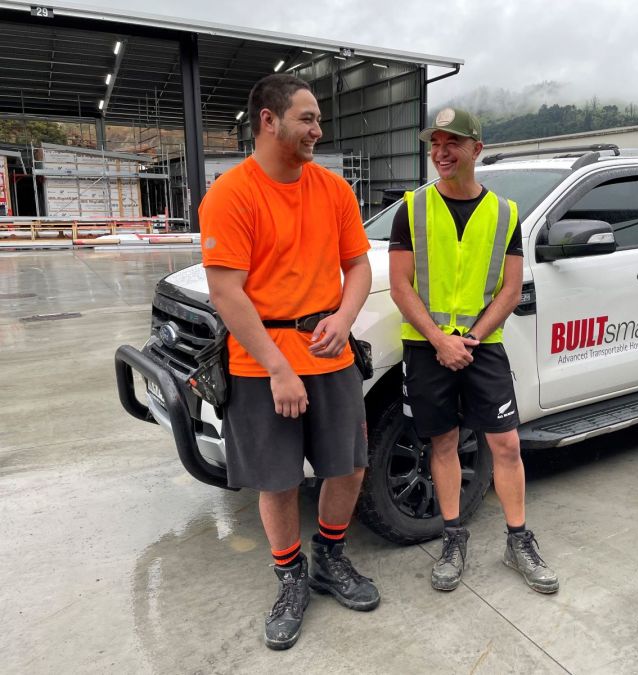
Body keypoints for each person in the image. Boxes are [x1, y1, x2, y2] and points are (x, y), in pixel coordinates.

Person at [199, 74, 379, 651]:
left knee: (348, 465)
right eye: (307, 118)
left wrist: (345, 319)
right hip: (261, 363)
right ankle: (290, 577)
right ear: (268, 121)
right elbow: (227, 292)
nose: (317, 130)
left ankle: (329, 558)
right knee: (277, 480)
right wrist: (279, 367)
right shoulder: (231, 195)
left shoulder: (332, 190)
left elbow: (359, 267)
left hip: (330, 351)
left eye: (317, 119)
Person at [388, 107, 559, 594]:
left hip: (482, 348)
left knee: (505, 444)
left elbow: (510, 289)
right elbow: (401, 286)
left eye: (453, 142)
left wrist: (473, 339)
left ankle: (518, 540)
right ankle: (452, 538)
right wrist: (441, 340)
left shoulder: (505, 213)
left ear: (476, 149)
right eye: (435, 143)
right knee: (442, 444)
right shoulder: (412, 209)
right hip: (427, 347)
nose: (441, 152)